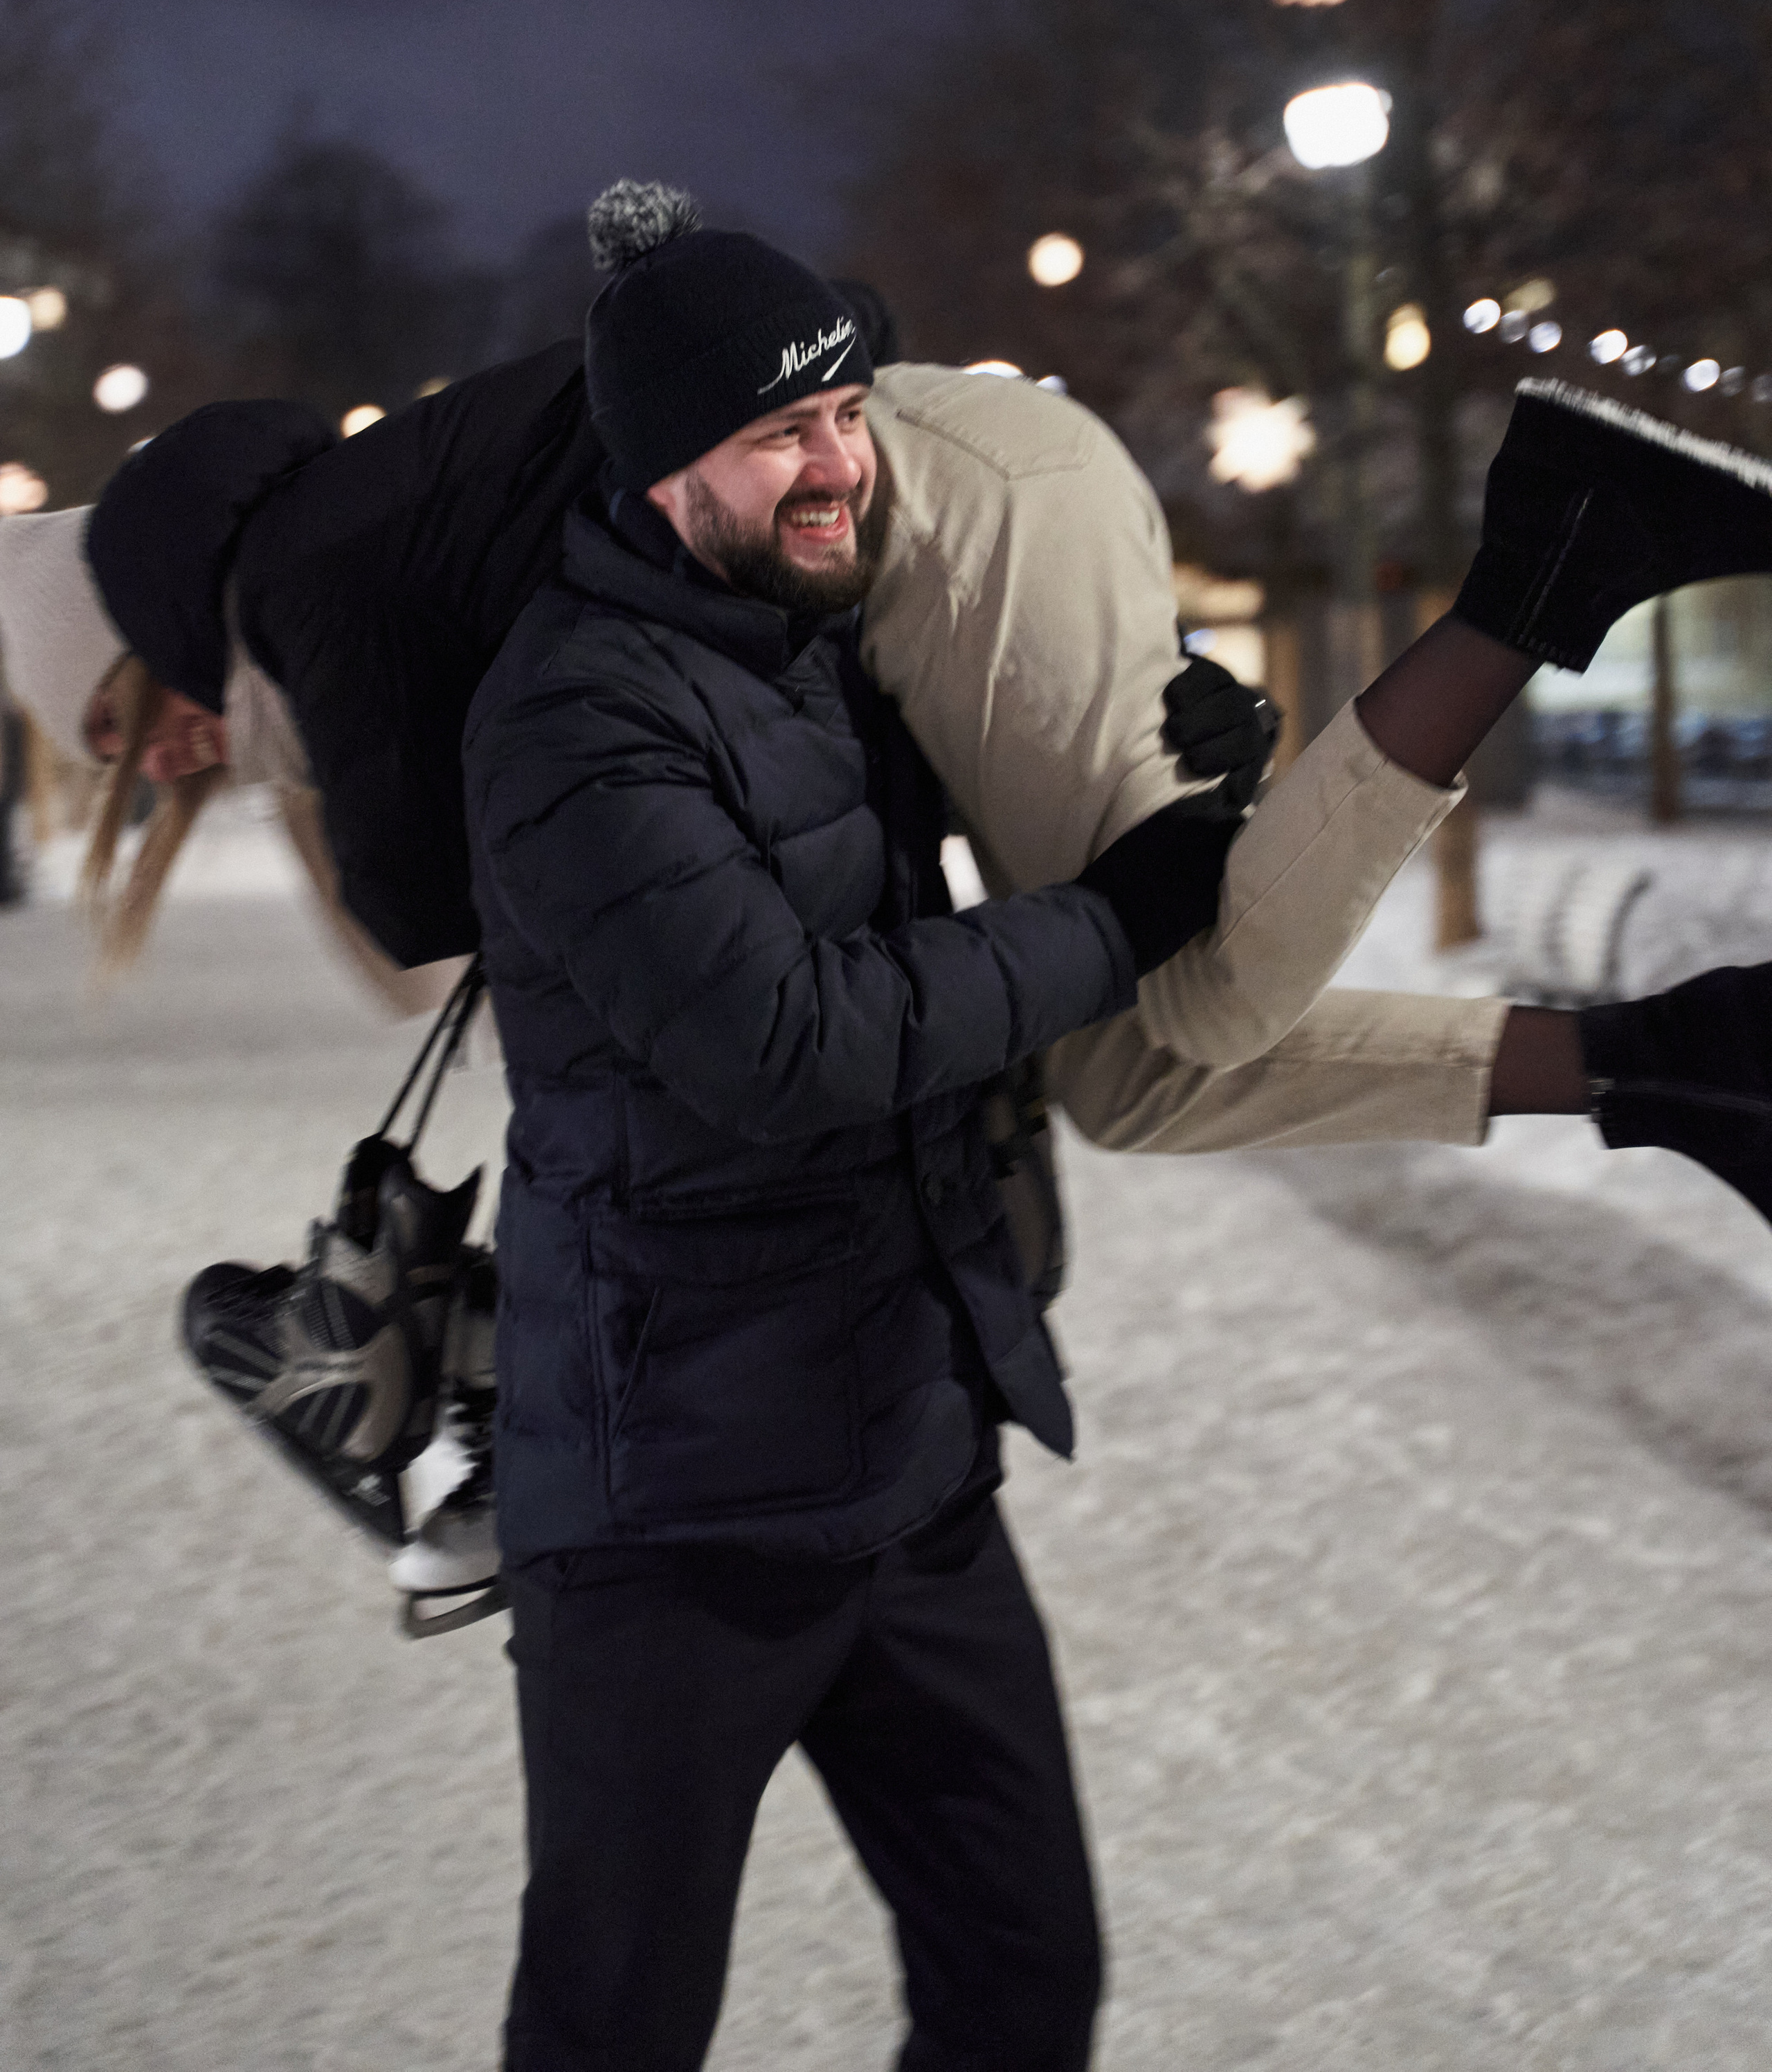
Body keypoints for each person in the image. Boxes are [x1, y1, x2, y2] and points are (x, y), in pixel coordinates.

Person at [4, 187, 1771, 1640]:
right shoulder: (394, 538)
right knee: (1130, 1077)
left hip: (940, 513)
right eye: (121, 764)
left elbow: (440, 932)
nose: (159, 764)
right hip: (944, 510)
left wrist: (287, 750)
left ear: (163, 624)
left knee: (1210, 990)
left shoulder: (319, 594)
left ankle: (1552, 558)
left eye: (123, 718)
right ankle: (1667, 1066)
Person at [461, 190, 1772, 2070]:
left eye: (847, 411)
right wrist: (1127, 903)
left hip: (906, 1467)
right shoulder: (577, 725)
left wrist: (1181, 776)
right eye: (783, 436)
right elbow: (797, 1043)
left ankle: (1667, 1036)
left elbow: (987, 801)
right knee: (614, 2026)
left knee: (1022, 1980)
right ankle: (1559, 651)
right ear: (666, 469)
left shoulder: (818, 626)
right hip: (677, 1515)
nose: (843, 465)